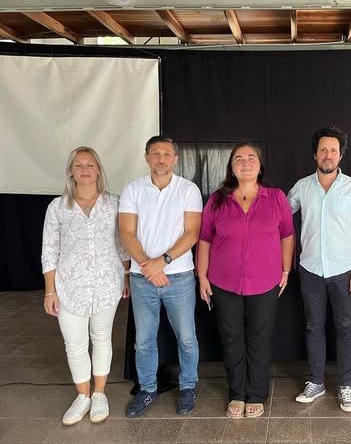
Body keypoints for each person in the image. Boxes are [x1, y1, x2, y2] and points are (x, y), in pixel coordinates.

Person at [196, 143, 294, 419]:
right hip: (223, 282)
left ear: (260, 167)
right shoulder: (217, 200)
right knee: (231, 338)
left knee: (260, 338)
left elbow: (287, 234)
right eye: (239, 158)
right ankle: (236, 393)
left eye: (251, 158)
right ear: (231, 167)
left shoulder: (275, 197)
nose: (245, 162)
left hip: (265, 281)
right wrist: (202, 276)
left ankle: (256, 393)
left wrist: (286, 270)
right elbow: (204, 239)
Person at [42, 147, 130, 425]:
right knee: (75, 344)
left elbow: (122, 243)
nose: (84, 170)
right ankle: (83, 396)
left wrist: (126, 276)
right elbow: (49, 250)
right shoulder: (58, 207)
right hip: (69, 287)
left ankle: (100, 393)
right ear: (71, 171)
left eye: (90, 164)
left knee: (102, 337)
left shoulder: (114, 204)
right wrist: (50, 290)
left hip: (107, 282)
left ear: (99, 170)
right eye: (78, 165)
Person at [288, 125, 351, 412]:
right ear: (315, 154)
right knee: (313, 327)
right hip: (310, 269)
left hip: (344, 270)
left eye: (333, 150)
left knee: (346, 327)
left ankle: (345, 385)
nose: (328, 155)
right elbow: (281, 214)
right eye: (323, 150)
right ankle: (316, 382)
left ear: (340, 155)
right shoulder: (302, 187)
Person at [119, 136, 203, 417]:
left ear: (175, 159)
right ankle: (147, 389)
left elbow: (192, 233)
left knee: (187, 338)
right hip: (142, 278)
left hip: (179, 276)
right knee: (143, 340)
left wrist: (162, 262)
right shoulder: (132, 189)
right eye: (156, 153)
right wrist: (148, 266)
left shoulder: (188, 189)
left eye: (167, 154)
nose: (162, 159)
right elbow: (126, 233)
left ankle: (188, 386)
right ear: (147, 158)